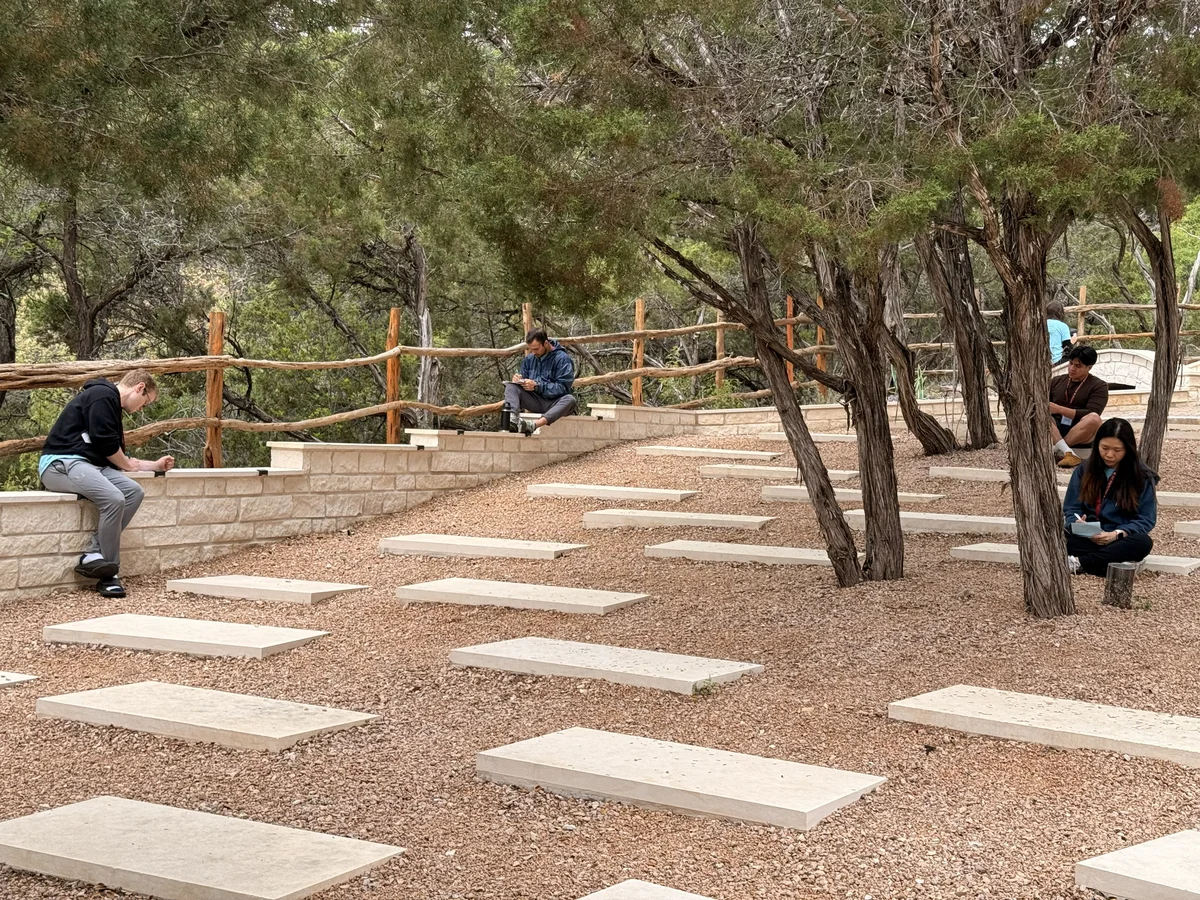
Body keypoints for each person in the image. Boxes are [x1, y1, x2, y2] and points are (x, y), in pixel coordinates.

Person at [39, 370, 175, 598]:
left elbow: (120, 458)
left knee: (133, 492)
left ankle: (93, 553)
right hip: (61, 463)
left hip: (89, 466)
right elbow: (106, 444)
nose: (143, 408)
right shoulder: (103, 395)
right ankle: (110, 574)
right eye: (146, 402)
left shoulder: (110, 404)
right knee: (114, 498)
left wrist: (154, 465)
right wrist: (129, 466)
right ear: (139, 388)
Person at [1061, 418, 1156, 576]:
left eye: (1117, 450)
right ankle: (1110, 563)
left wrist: (1116, 534)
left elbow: (1146, 519)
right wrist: (1078, 523)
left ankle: (1081, 563)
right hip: (1088, 536)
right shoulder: (1084, 469)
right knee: (1064, 539)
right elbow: (1071, 507)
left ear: (1128, 449)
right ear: (1097, 444)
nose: (1109, 455)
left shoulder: (1142, 476)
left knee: (1143, 543)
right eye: (1104, 448)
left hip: (1120, 537)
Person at [501, 329, 577, 434]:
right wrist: (519, 380)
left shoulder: (563, 359)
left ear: (546, 343)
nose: (533, 352)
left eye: (536, 349)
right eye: (531, 349)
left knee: (570, 400)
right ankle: (512, 420)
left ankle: (534, 425)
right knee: (511, 387)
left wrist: (537, 386)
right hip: (536, 400)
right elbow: (524, 380)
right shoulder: (529, 359)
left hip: (555, 402)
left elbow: (563, 388)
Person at [1048, 344, 1108, 468]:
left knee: (1094, 419)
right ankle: (1067, 453)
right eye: (1070, 363)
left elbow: (1093, 412)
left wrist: (1059, 409)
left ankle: (1057, 450)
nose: (1072, 368)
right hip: (1055, 428)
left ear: (1089, 367)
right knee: (1042, 415)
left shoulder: (1099, 386)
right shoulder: (1056, 381)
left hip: (1081, 431)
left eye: (1078, 366)